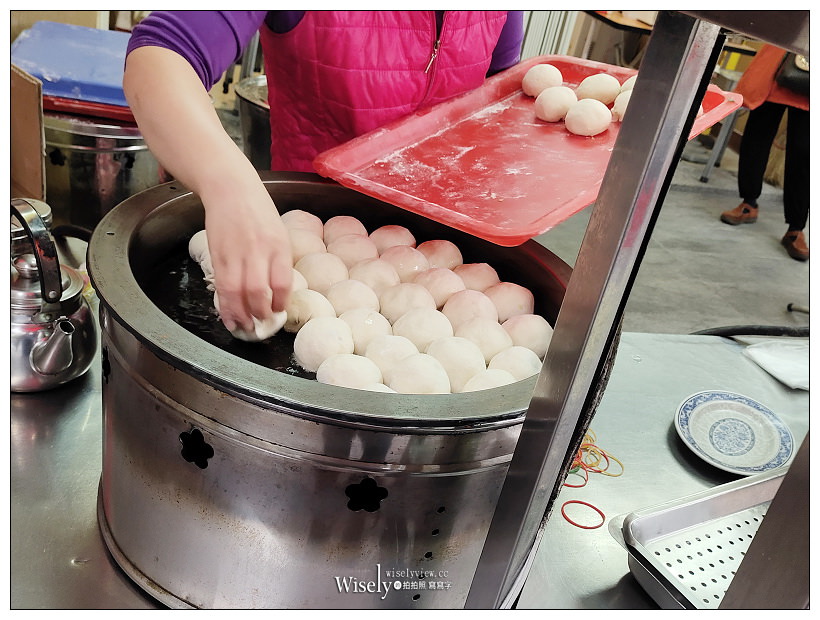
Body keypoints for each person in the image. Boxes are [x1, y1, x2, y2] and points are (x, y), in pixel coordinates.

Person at [123, 11, 524, 334]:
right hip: (305, 239)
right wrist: (230, 188)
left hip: (445, 254)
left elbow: (498, 101)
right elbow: (162, 56)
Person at [719, 44, 809, 261]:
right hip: (778, 59)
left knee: (805, 151)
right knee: (756, 136)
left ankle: (796, 227)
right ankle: (749, 202)